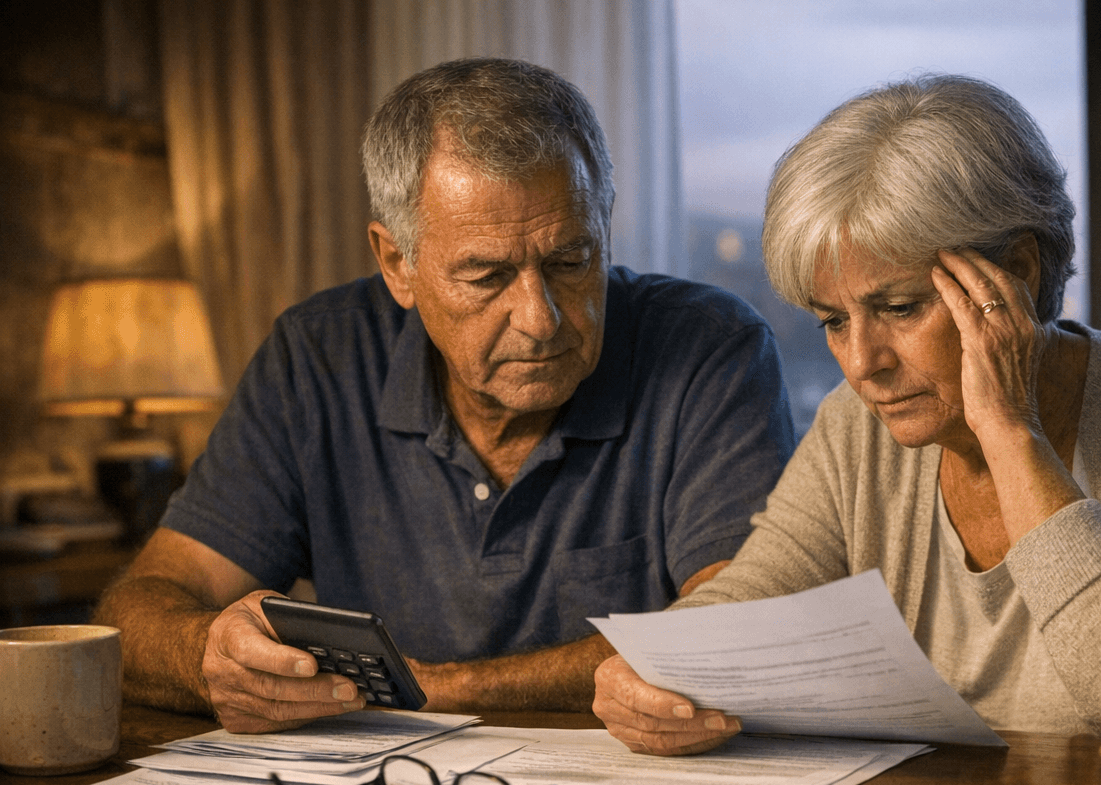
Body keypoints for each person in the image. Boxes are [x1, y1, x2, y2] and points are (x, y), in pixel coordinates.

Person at [592, 74, 1101, 755]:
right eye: (833, 322)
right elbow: (753, 598)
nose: (861, 362)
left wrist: (1008, 431)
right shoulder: (858, 426)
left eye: (899, 308)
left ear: (1020, 274)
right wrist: (648, 669)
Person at [96, 58, 795, 733]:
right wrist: (206, 657)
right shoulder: (317, 357)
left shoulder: (711, 346)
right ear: (397, 263)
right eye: (488, 276)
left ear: (605, 222)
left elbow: (734, 629)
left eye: (570, 260)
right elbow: (137, 611)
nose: (540, 317)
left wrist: (433, 689)